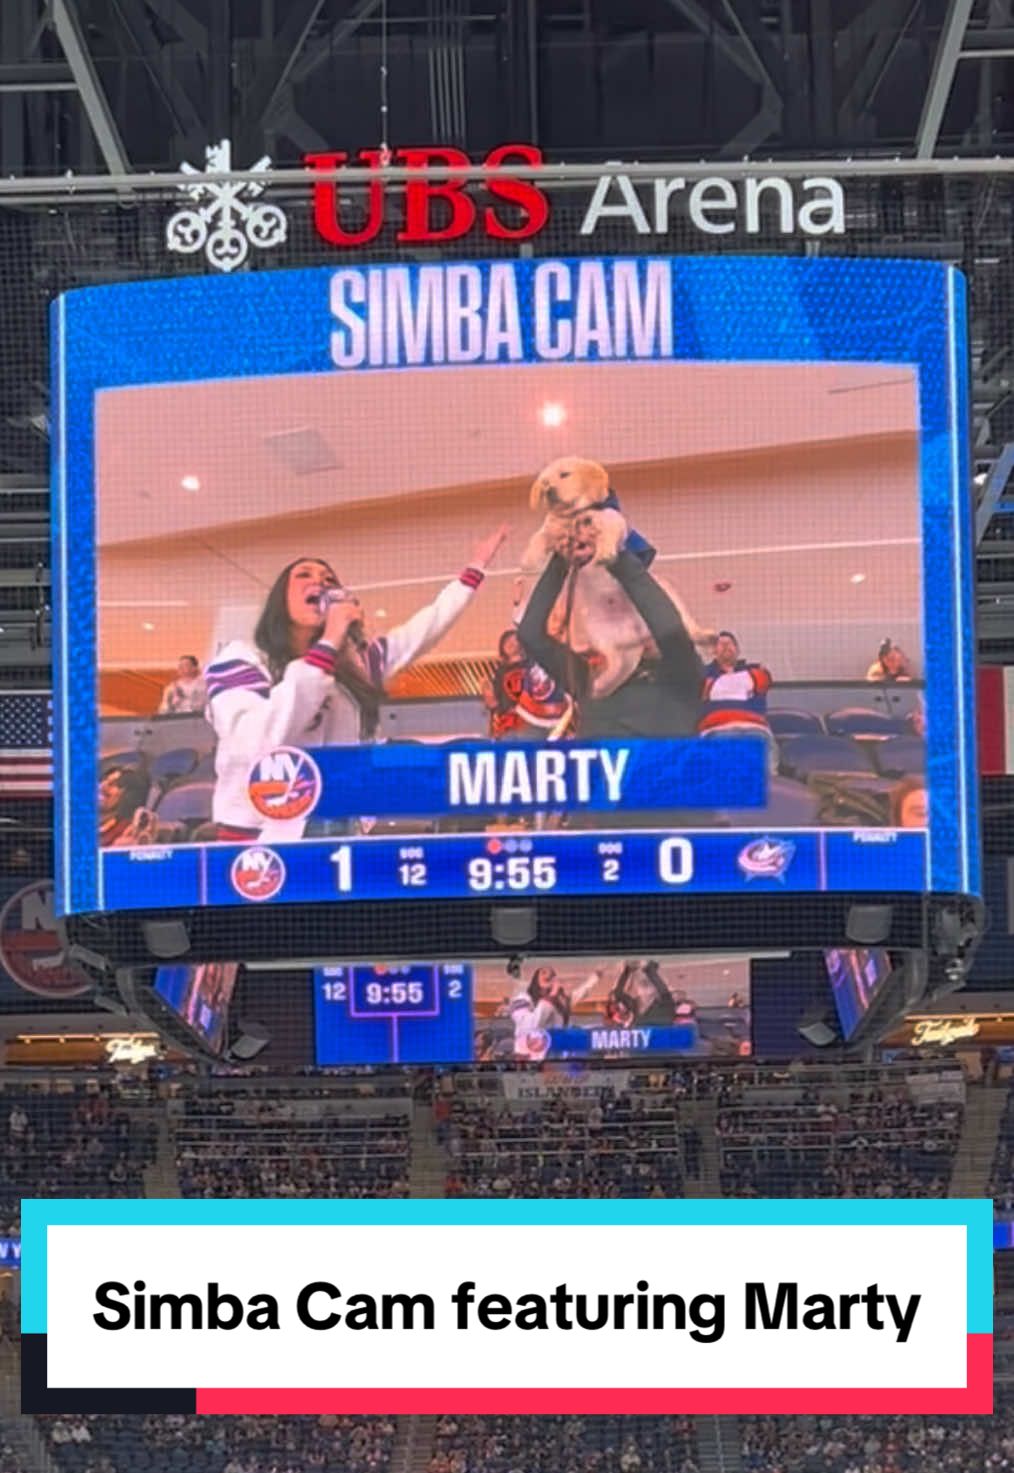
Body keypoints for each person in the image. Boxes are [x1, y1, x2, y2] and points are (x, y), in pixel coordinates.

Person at [204, 526, 508, 838]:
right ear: (279, 599)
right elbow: (254, 743)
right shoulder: (242, 659)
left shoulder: (357, 663)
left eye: (329, 580)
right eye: (304, 575)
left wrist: (474, 569)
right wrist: (328, 642)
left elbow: (428, 626)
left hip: (340, 824)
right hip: (259, 835)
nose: (319, 582)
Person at [517, 527, 703, 738]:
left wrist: (615, 556)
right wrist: (561, 562)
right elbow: (530, 634)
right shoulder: (588, 677)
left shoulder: (682, 671)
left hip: (658, 759)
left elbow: (667, 627)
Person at [698, 630, 775, 771]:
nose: (726, 645)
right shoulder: (702, 674)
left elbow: (765, 679)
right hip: (718, 729)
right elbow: (698, 688)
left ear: (738, 650)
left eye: (730, 643)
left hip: (755, 729)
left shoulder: (754, 671)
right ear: (714, 652)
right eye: (721, 644)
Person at [481, 629, 572, 740]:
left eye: (515, 640)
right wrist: (490, 699)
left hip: (533, 720)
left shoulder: (533, 665)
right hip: (509, 722)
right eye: (507, 641)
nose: (511, 644)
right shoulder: (500, 672)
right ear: (502, 647)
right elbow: (496, 700)